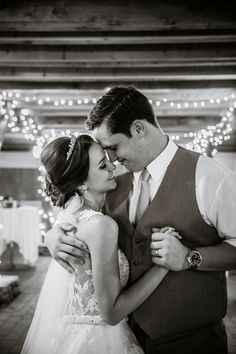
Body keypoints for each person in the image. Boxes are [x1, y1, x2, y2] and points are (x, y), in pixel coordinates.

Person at [46, 87, 236, 354]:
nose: (111, 159)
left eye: (113, 147)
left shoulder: (211, 177)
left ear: (138, 129)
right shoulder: (112, 181)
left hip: (192, 342)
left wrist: (190, 257)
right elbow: (79, 211)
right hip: (124, 339)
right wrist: (55, 235)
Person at [21, 134, 177, 354]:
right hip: (100, 340)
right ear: (80, 182)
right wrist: (164, 266)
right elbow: (111, 313)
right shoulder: (101, 225)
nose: (113, 166)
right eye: (103, 165)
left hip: (70, 333)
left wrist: (51, 234)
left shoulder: (69, 217)